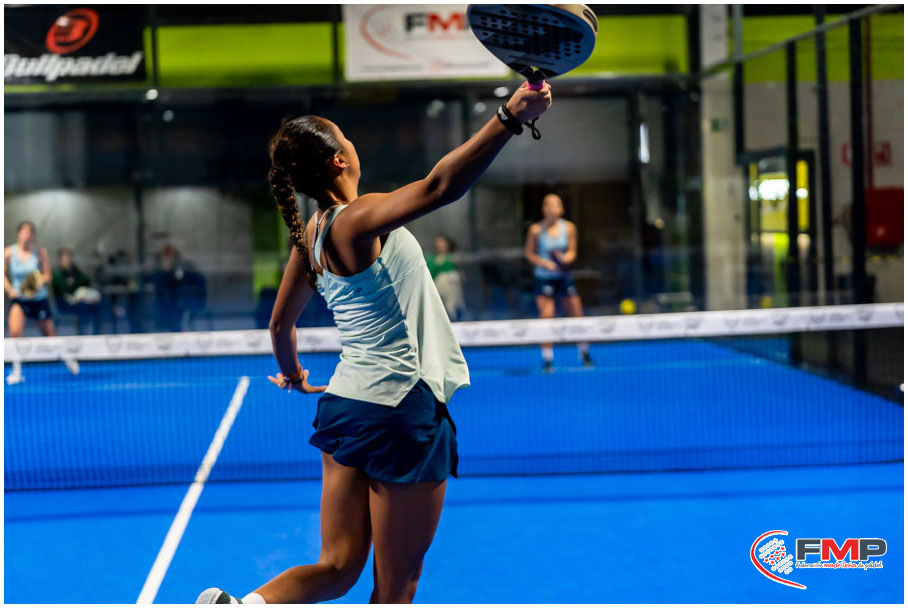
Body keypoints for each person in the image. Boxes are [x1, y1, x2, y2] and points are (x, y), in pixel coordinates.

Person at [196, 82, 552, 604]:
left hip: (345, 407)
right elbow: (439, 187)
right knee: (396, 585)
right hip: (402, 411)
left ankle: (244, 605)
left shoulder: (312, 233)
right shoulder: (357, 220)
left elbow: (279, 326)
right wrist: (509, 117)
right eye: (346, 137)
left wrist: (294, 375)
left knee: (337, 567)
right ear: (339, 160)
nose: (354, 142)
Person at [524, 193, 593, 372]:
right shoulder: (535, 230)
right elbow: (529, 254)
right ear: (543, 209)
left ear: (561, 209)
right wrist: (544, 263)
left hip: (563, 277)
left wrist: (565, 259)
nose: (552, 208)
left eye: (556, 205)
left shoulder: (569, 228)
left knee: (577, 313)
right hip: (544, 278)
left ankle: (584, 352)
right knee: (547, 316)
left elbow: (573, 251)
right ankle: (548, 359)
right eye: (549, 205)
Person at [4, 221, 79, 384]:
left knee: (49, 334)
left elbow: (48, 276)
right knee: (15, 333)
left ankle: (68, 359)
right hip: (19, 300)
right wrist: (10, 290)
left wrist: (36, 283)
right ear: (18, 233)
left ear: (33, 235)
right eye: (24, 232)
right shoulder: (8, 252)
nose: (27, 235)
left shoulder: (40, 251)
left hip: (39, 299)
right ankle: (16, 371)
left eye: (30, 232)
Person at [52, 247, 102, 334]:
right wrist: (74, 283)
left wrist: (74, 281)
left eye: (68, 258)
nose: (67, 261)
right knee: (84, 307)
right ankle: (81, 334)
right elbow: (65, 288)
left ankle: (96, 333)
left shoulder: (74, 271)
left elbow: (86, 281)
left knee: (95, 305)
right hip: (64, 302)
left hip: (77, 300)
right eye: (64, 259)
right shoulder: (57, 273)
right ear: (60, 259)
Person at [425, 234, 466, 321]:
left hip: (451, 292)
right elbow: (430, 271)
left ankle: (453, 313)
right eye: (437, 242)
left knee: (447, 277)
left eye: (442, 242)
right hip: (434, 290)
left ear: (447, 244)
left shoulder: (453, 258)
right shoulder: (430, 259)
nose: (439, 245)